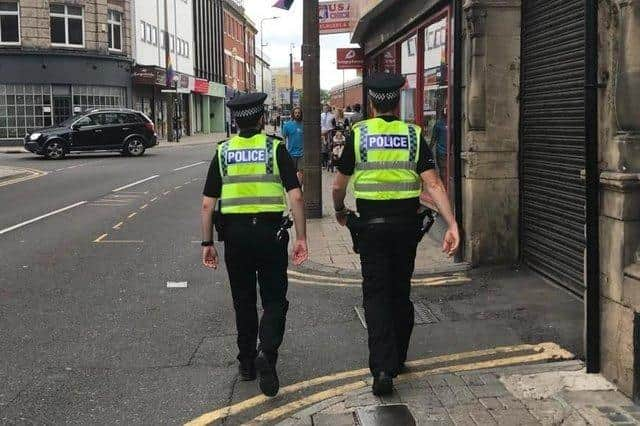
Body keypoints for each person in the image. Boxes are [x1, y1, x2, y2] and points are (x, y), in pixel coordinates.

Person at [332, 73, 460, 396]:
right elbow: (433, 184)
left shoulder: (358, 134)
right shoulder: (413, 135)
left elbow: (339, 184)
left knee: (375, 295)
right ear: (397, 101)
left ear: (372, 103)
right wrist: (452, 224)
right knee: (400, 291)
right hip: (406, 229)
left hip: (370, 229)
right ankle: (399, 357)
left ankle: (382, 369)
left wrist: (339, 210)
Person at [200, 92, 309, 397]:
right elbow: (296, 196)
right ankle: (268, 352)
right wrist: (301, 237)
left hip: (235, 237)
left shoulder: (223, 151)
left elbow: (208, 204)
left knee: (243, 300)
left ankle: (247, 363)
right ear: (262, 119)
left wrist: (207, 242)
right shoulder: (275, 149)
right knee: (275, 299)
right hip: (270, 235)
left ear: (235, 120)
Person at [282, 106, 304, 185]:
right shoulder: (287, 125)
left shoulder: (304, 125)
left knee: (301, 171)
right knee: (292, 173)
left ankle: (299, 188)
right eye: (295, 113)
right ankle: (294, 187)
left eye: (299, 113)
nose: (297, 114)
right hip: (291, 153)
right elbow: (284, 139)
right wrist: (284, 151)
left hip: (302, 153)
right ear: (293, 114)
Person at [430, 108, 448, 182]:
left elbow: (433, 139)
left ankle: (444, 185)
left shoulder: (438, 124)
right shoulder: (451, 123)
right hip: (448, 151)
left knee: (442, 169)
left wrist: (429, 149)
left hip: (441, 151)